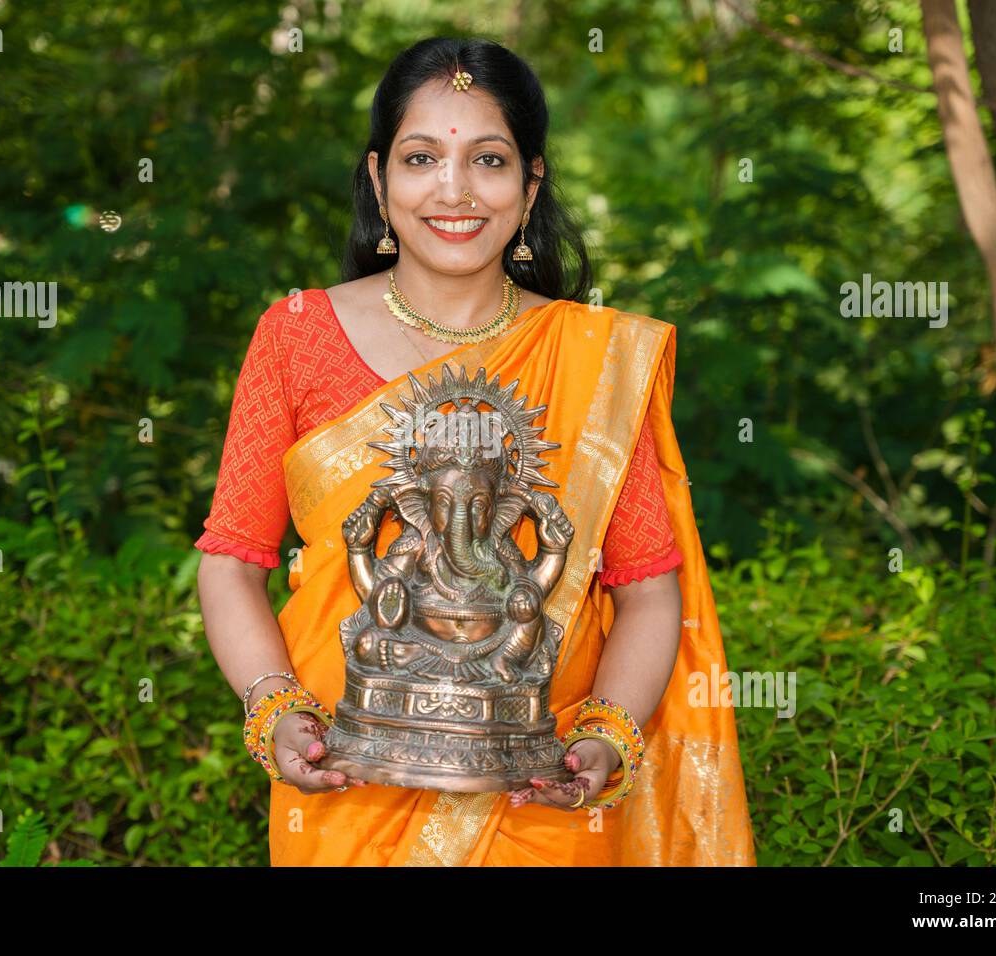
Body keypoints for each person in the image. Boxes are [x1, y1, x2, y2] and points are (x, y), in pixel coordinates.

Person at [196, 36, 755, 866]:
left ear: (529, 188)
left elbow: (646, 589)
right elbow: (232, 563)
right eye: (423, 158)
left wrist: (604, 740)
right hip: (348, 783)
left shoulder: (590, 358)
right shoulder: (297, 337)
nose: (453, 190)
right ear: (379, 179)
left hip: (541, 794)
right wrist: (278, 714)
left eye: (488, 160)